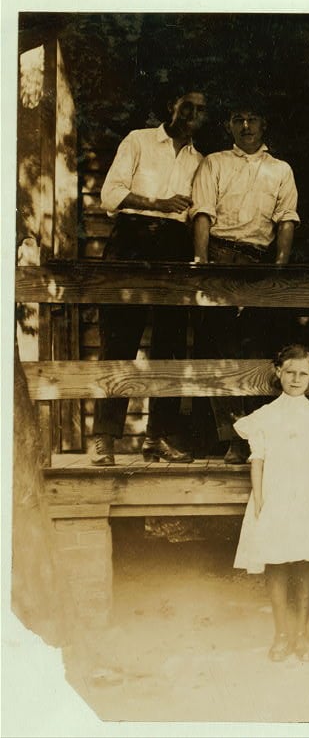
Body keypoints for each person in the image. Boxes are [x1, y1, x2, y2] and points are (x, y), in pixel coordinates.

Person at [91, 87, 209, 466]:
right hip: (131, 241)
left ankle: (159, 438)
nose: (192, 114)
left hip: (174, 247)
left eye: (200, 110)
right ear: (170, 108)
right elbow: (111, 194)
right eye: (185, 106)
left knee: (170, 343)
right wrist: (156, 204)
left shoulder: (201, 161)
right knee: (119, 340)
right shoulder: (139, 140)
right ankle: (104, 438)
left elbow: (199, 215)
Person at [191, 97, 300, 463]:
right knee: (219, 350)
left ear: (264, 124)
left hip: (258, 261)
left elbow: (286, 219)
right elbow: (203, 212)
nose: (246, 126)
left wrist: (279, 265)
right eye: (238, 118)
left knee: (256, 349)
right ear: (229, 125)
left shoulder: (281, 169)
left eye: (253, 117)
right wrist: (204, 263)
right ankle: (231, 439)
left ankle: (257, 436)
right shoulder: (214, 163)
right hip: (220, 257)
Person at [232, 344, 309, 662]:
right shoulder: (264, 417)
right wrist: (261, 501)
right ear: (278, 372)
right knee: (276, 562)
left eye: (303, 373)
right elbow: (258, 461)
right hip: (276, 495)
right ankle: (280, 634)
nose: (295, 378)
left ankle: (302, 635)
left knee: (305, 562)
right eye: (289, 372)